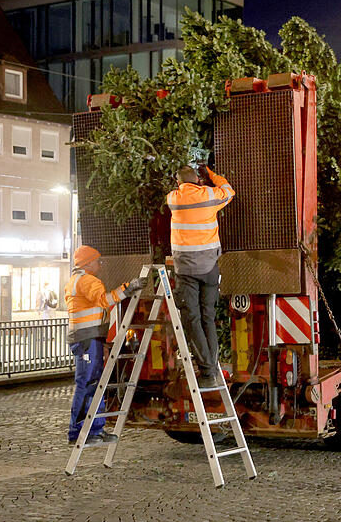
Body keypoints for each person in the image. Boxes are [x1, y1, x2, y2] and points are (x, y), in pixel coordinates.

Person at [65, 245, 146, 445]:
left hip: (88, 339)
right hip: (87, 339)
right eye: (96, 260)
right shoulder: (87, 280)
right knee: (87, 384)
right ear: (87, 263)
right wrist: (128, 288)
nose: (99, 264)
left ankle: (94, 430)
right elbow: (104, 300)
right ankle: (80, 432)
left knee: (93, 383)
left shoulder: (77, 281)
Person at [166, 164, 234, 388]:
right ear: (198, 179)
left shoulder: (173, 199)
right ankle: (210, 370)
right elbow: (229, 190)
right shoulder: (210, 195)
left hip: (185, 271)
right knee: (208, 318)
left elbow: (180, 190)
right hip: (209, 269)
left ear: (178, 183)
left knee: (192, 320)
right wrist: (211, 175)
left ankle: (208, 372)